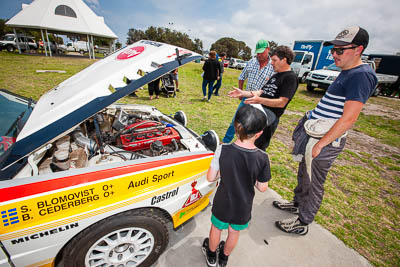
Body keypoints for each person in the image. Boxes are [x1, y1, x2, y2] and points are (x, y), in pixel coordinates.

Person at [273, 26, 378, 235]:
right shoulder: (347, 72)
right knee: (304, 173)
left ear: (359, 49)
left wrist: (321, 144)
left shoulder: (361, 75)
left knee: (313, 181)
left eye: (340, 50)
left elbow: (349, 118)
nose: (334, 54)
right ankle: (297, 203)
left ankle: (303, 222)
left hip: (325, 139)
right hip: (316, 134)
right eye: (333, 50)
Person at [202, 104, 271, 267]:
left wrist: (222, 172)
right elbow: (262, 187)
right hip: (243, 206)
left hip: (223, 202)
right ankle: (224, 259)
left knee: (216, 229)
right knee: (234, 232)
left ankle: (211, 256)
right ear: (259, 133)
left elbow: (211, 177)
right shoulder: (263, 157)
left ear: (236, 126)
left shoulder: (223, 149)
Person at [228, 45, 299, 150]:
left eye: (274, 60)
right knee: (246, 142)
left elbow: (282, 102)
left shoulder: (290, 77)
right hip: (258, 113)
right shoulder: (276, 75)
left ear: (284, 60)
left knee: (257, 148)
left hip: (269, 119)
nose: (271, 62)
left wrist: (259, 100)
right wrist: (243, 93)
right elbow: (261, 92)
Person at [222, 39, 274, 143]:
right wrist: (241, 92)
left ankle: (245, 145)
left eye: (261, 52)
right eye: (257, 52)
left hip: (261, 101)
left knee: (255, 125)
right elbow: (242, 77)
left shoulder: (273, 66)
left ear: (268, 50)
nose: (259, 55)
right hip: (246, 98)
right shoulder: (251, 62)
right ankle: (225, 142)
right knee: (236, 121)